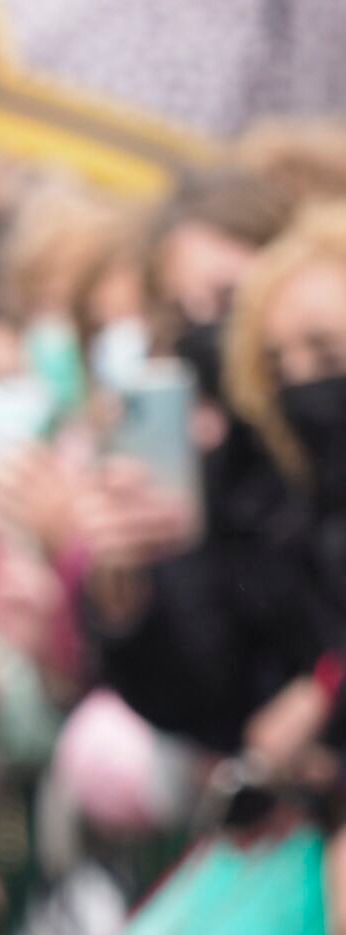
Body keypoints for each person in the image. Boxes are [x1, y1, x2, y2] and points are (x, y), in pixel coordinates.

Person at [92, 204, 346, 763]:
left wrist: (327, 696)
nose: (301, 381)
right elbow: (215, 694)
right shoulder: (248, 484)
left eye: (326, 353)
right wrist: (129, 595)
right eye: (277, 365)